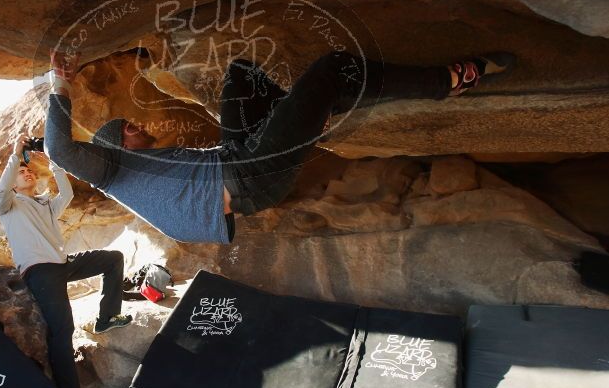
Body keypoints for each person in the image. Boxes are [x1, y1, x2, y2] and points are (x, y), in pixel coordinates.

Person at [45, 49, 514, 244]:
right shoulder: (114, 169)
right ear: (119, 144)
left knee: (241, 75)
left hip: (238, 162)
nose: (141, 126)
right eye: (131, 126)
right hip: (250, 177)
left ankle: (310, 117)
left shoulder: (150, 168)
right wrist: (58, 86)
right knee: (331, 68)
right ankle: (448, 81)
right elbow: (60, 151)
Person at [0, 135, 132, 388]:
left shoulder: (43, 203)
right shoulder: (8, 206)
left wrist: (54, 163)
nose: (27, 172)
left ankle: (107, 317)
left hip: (62, 264)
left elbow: (66, 195)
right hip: (40, 271)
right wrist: (16, 154)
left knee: (113, 258)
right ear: (13, 182)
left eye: (29, 170)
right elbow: (2, 188)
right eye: (22, 172)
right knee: (62, 330)